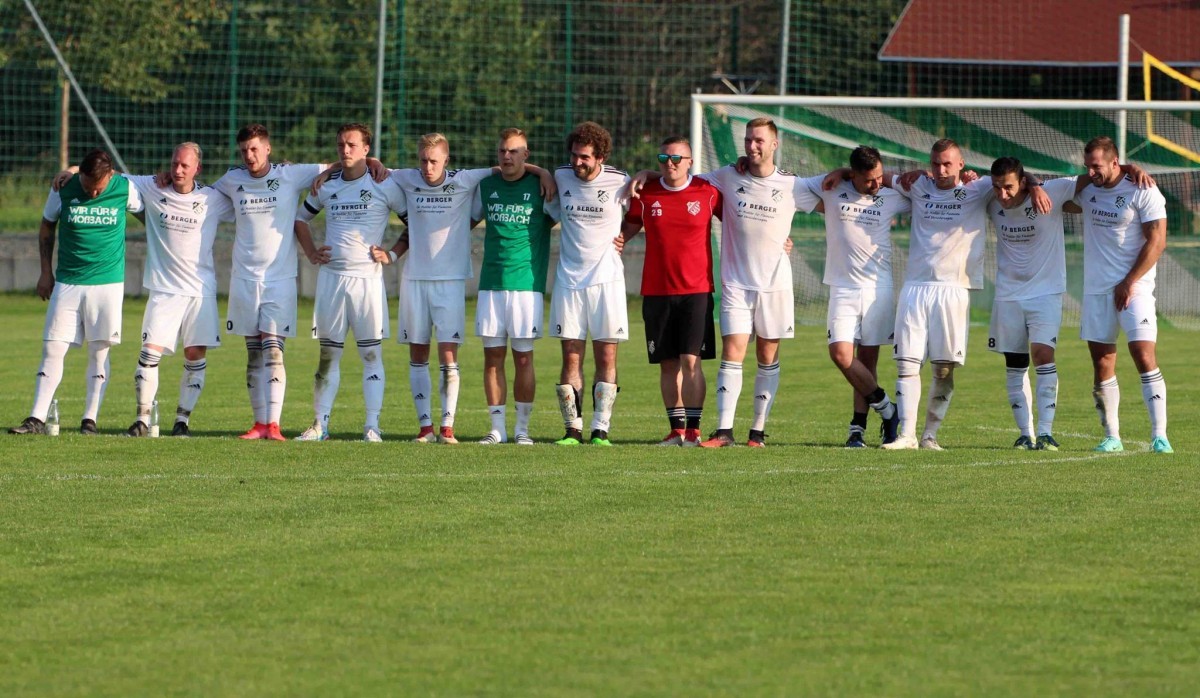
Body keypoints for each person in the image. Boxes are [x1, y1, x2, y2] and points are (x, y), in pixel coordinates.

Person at [372, 133, 553, 444]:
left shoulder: (469, 179)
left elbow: (508, 168)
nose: (428, 167)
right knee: (425, 354)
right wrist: (372, 160)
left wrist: (543, 172)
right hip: (417, 279)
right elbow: (377, 170)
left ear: (447, 160)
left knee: (462, 356)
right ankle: (428, 428)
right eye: (424, 161)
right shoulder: (408, 178)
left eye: (434, 161)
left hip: (465, 281)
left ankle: (455, 428)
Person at [877, 139, 1050, 450]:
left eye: (947, 164)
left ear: (961, 164)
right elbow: (877, 175)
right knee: (906, 364)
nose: (940, 170)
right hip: (915, 287)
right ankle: (906, 435)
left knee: (943, 369)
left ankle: (929, 435)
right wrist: (893, 173)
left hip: (955, 289)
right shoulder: (918, 185)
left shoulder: (980, 187)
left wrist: (1035, 185)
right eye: (935, 163)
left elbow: (1015, 174)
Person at [692, 118, 819, 448]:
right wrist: (649, 175)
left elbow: (831, 195)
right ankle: (723, 431)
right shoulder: (727, 175)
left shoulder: (794, 185)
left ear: (774, 145)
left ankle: (757, 433)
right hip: (736, 282)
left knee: (767, 353)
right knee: (732, 351)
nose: (752, 146)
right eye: (748, 139)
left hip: (775, 285)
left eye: (759, 140)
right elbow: (684, 183)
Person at [10, 148, 144, 435]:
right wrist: (46, 272)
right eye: (87, 186)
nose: (93, 194)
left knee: (99, 350)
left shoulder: (124, 188)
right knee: (53, 346)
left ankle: (89, 420)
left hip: (107, 284)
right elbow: (47, 226)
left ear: (110, 176)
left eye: (99, 188)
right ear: (80, 175)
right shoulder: (64, 187)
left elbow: (149, 212)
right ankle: (36, 418)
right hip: (68, 281)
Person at [212, 124, 330, 441]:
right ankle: (259, 423)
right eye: (244, 151)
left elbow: (344, 163)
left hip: (279, 279)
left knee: (274, 351)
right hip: (244, 279)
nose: (249, 156)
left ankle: (274, 425)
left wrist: (372, 163)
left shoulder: (290, 175)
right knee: (253, 353)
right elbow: (196, 194)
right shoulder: (231, 180)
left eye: (254, 149)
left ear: (268, 148)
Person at [292, 123, 407, 443]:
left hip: (367, 281)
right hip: (332, 281)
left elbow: (413, 222)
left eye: (352, 145)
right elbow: (300, 219)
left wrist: (393, 255)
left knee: (371, 355)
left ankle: (372, 426)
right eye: (341, 144)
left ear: (367, 150)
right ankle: (319, 425)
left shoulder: (384, 182)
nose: (345, 150)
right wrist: (312, 251)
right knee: (328, 354)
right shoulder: (326, 185)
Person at [1070, 136, 1171, 453]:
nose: (1091, 171)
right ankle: (1112, 436)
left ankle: (1160, 435)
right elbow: (1045, 190)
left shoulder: (1143, 189)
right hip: (1097, 290)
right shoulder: (1086, 189)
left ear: (1115, 162)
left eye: (1096, 165)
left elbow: (1157, 242)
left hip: (1135, 287)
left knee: (1143, 354)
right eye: (1087, 166)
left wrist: (1129, 281)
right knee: (1102, 363)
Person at [124, 143, 234, 437]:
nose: (178, 170)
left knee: (195, 354)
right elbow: (112, 178)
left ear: (198, 168)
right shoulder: (153, 187)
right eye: (174, 164)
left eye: (185, 166)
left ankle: (182, 422)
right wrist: (71, 170)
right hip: (164, 290)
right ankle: (142, 420)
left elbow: (251, 201)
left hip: (200, 291)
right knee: (149, 353)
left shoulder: (212, 199)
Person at [799, 145, 905, 447]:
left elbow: (920, 187)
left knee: (867, 361)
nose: (876, 184)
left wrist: (876, 177)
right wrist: (839, 173)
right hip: (842, 288)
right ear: (853, 175)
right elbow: (787, 184)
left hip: (878, 288)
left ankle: (857, 428)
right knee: (841, 354)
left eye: (879, 177)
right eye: (869, 180)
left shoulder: (889, 193)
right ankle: (888, 409)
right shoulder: (833, 189)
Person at [619, 135, 720, 447]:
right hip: (657, 291)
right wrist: (615, 240)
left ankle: (694, 431)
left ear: (690, 162)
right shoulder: (645, 192)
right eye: (663, 159)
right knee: (667, 364)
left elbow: (741, 222)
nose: (671, 164)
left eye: (677, 158)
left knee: (692, 361)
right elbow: (629, 226)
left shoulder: (708, 192)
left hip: (697, 291)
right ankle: (676, 430)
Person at [471, 128, 558, 445]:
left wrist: (543, 173)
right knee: (492, 358)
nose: (507, 156)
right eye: (502, 151)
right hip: (491, 284)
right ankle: (497, 429)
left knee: (523, 358)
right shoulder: (486, 186)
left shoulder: (541, 188)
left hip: (526, 286)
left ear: (526, 154)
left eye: (513, 151)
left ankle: (522, 428)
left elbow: (570, 219)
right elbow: (466, 220)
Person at [547, 121, 630, 446]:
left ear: (601, 156)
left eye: (584, 157)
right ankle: (572, 429)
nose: (577, 163)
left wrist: (645, 176)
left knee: (607, 356)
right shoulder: (561, 175)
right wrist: (542, 172)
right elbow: (536, 175)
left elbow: (648, 197)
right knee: (570, 356)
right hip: (569, 281)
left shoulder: (620, 181)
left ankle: (600, 429)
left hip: (607, 281)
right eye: (574, 156)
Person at [986, 157, 1078, 451]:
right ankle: (1025, 434)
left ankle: (1046, 432)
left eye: (1009, 187)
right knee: (1014, 363)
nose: (1003, 194)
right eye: (997, 187)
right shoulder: (989, 199)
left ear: (1023, 181)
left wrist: (1038, 185)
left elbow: (1094, 179)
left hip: (1046, 291)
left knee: (1042, 354)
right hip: (1008, 294)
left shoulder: (1054, 190)